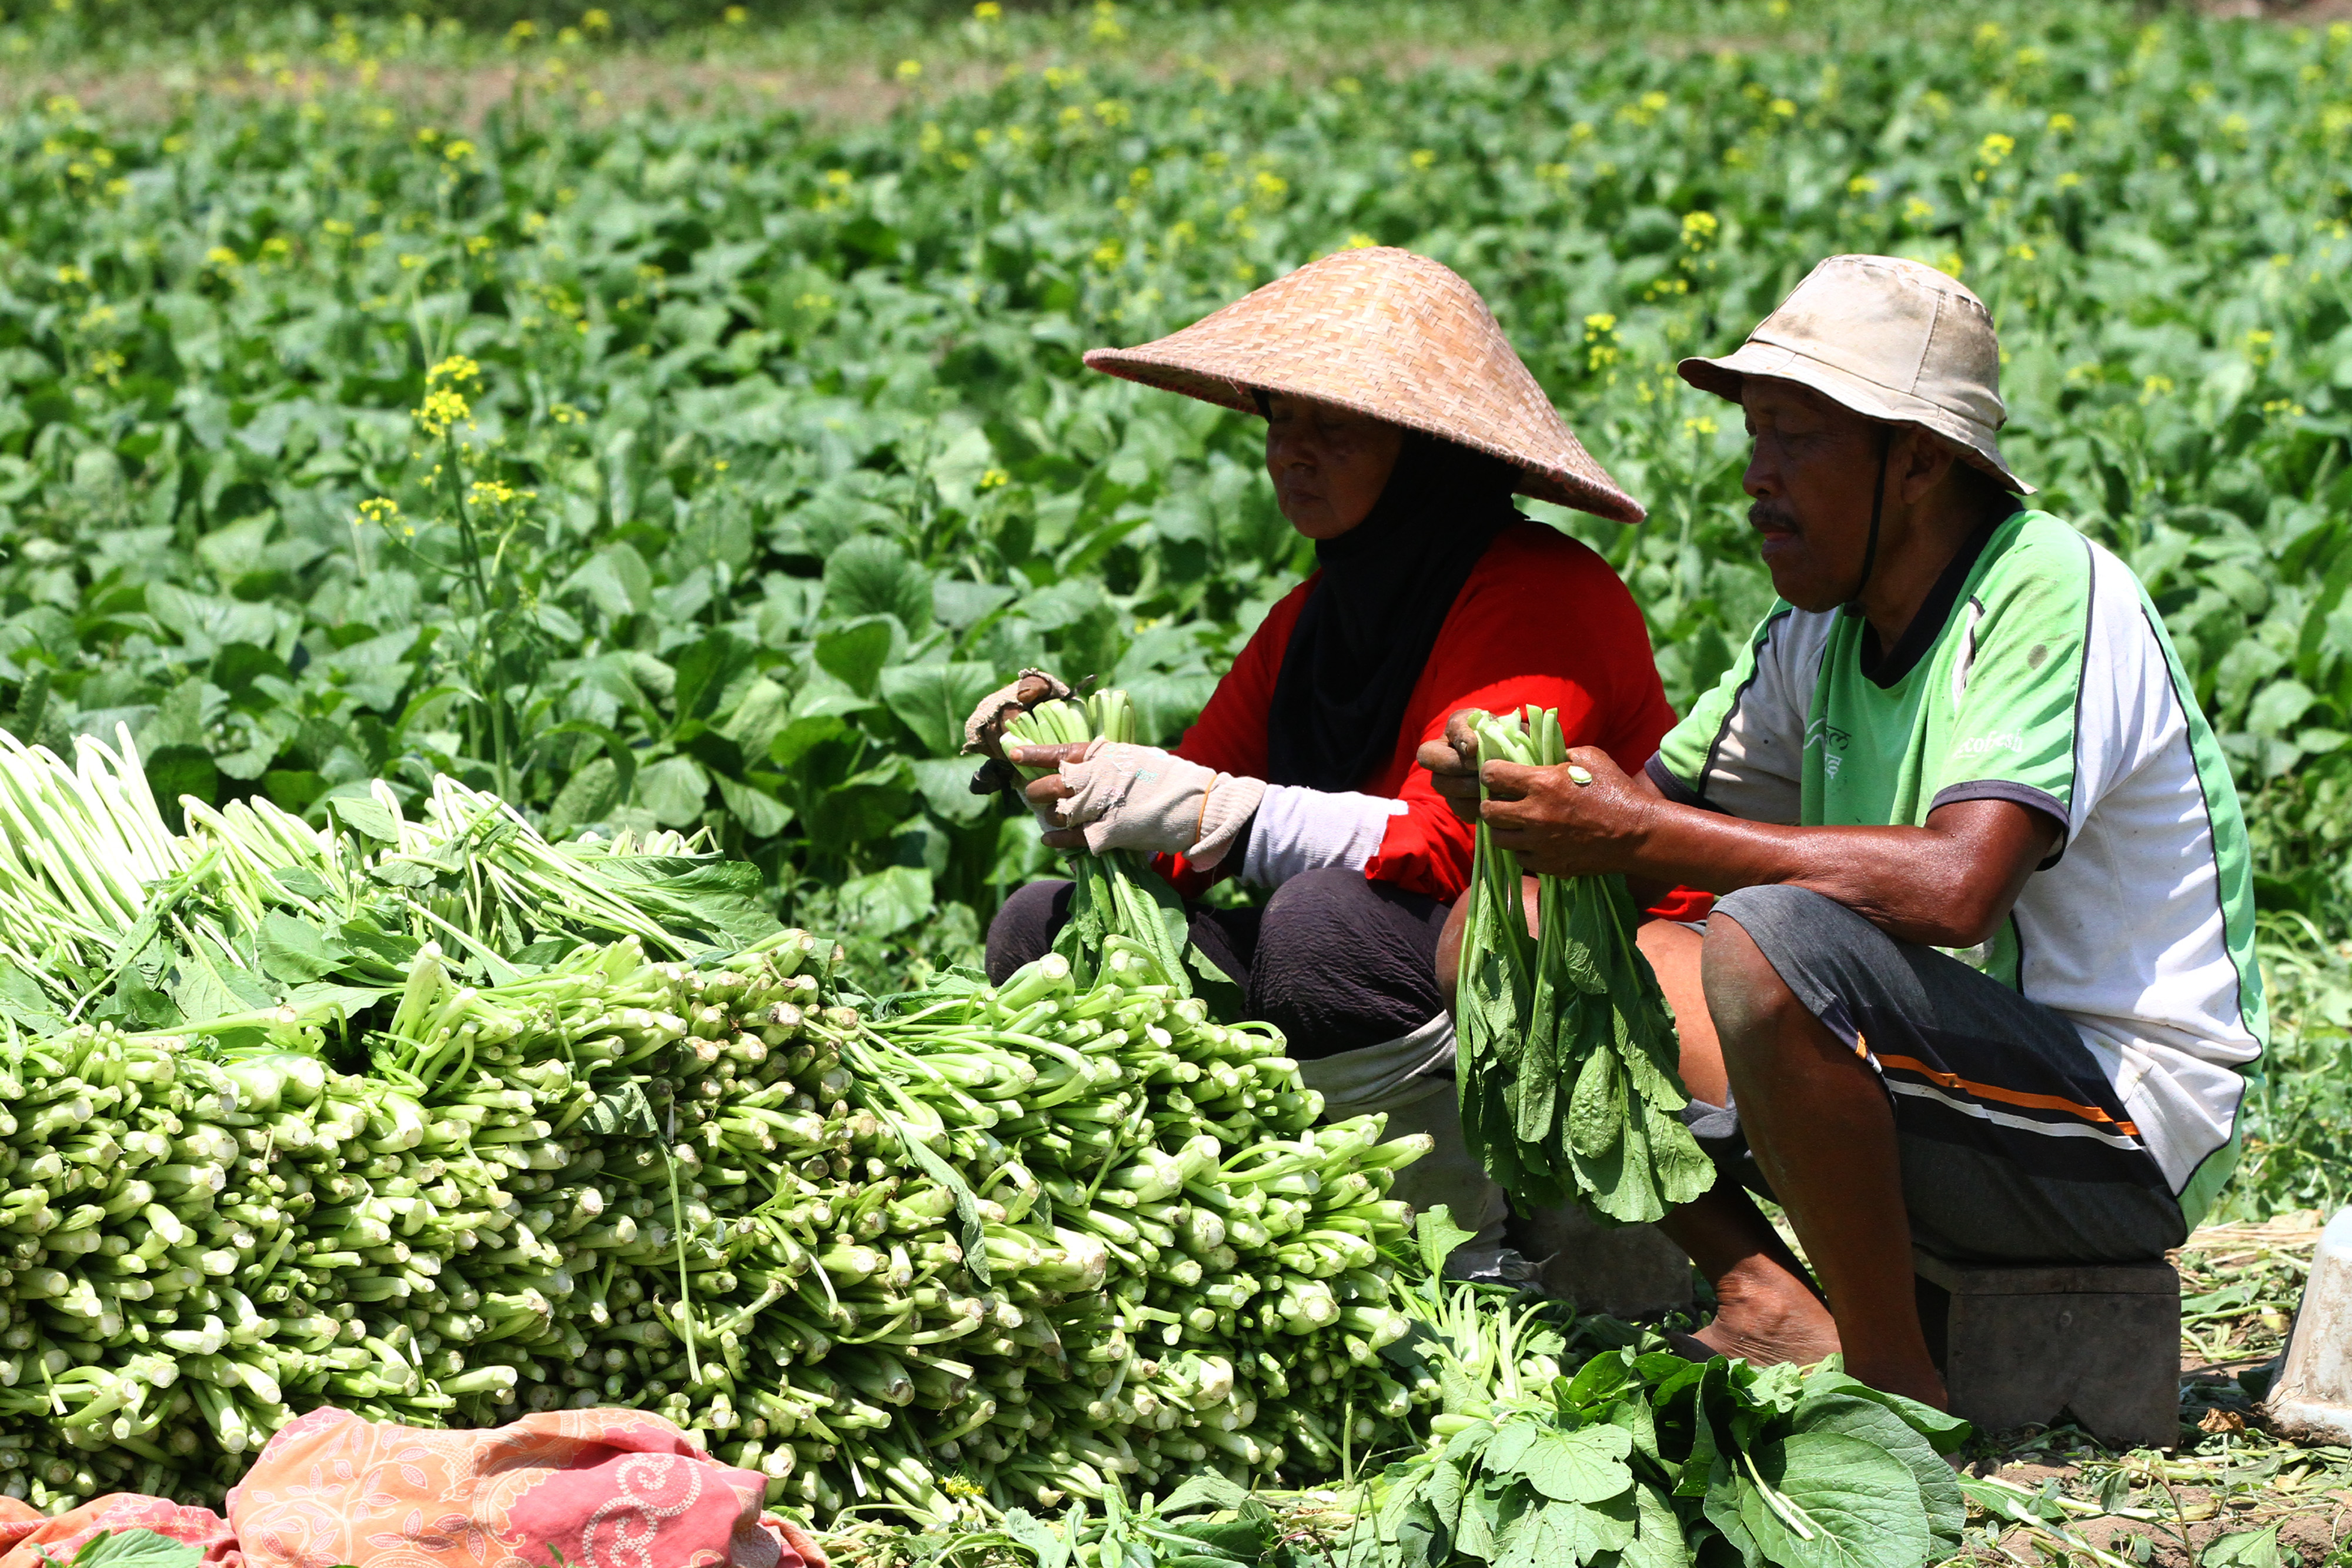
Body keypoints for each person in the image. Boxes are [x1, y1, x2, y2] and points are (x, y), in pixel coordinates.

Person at [1421, 254, 2265, 1405]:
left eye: (1794, 440)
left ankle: (1891, 1383)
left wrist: (1623, 834)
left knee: (1769, 937)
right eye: (1752, 436)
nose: (1755, 479)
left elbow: (1958, 888)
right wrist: (1537, 813)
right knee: (1502, 926)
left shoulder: (2046, 590)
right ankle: (1764, 1296)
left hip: (2117, 1125)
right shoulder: (1808, 634)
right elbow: (1647, 820)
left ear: (1916, 460)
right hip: (1927, 1077)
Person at [968, 245, 1706, 1273]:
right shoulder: (1310, 623)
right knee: (1041, 922)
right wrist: (1077, 779)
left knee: (1321, 928)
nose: (1290, 453)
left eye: (1335, 428)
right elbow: (1186, 836)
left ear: (1427, 452)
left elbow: (1454, 849)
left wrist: (1205, 811)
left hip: (1561, 1000)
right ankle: (1166, 1244)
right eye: (1280, 419)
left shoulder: (1540, 592)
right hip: (1369, 970)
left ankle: (1458, 1260)